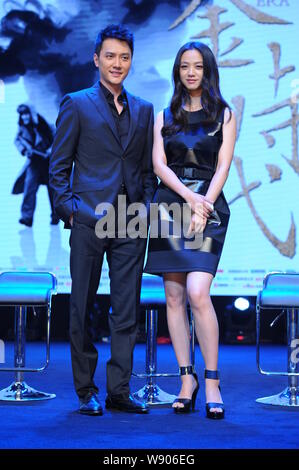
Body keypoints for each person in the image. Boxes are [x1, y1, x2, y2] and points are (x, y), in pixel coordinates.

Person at [49, 24, 157, 416]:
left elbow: (146, 169)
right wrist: (73, 211)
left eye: (124, 57)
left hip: (130, 221)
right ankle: (85, 391)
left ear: (131, 61)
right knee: (81, 307)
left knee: (126, 309)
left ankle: (119, 390)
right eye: (110, 56)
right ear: (96, 59)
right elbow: (57, 168)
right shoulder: (76, 103)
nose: (117, 63)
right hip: (89, 220)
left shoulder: (144, 109)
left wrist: (144, 207)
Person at [144, 41, 236, 419]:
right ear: (178, 71)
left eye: (198, 66)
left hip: (209, 205)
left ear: (207, 70)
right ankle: (187, 379)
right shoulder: (165, 114)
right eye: (184, 66)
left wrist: (204, 205)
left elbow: (223, 166)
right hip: (170, 204)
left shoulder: (224, 114)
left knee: (199, 293)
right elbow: (158, 164)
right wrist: (186, 198)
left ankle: (211, 380)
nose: (191, 72)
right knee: (174, 296)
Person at [12, 104, 59, 227]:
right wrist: (24, 150)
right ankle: (27, 218)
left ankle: (56, 216)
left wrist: (51, 149)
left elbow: (57, 136)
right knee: (29, 188)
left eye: (26, 114)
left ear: (31, 114)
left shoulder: (43, 124)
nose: (24, 117)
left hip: (48, 162)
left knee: (52, 190)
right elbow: (17, 140)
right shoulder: (22, 128)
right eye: (22, 115)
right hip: (34, 163)